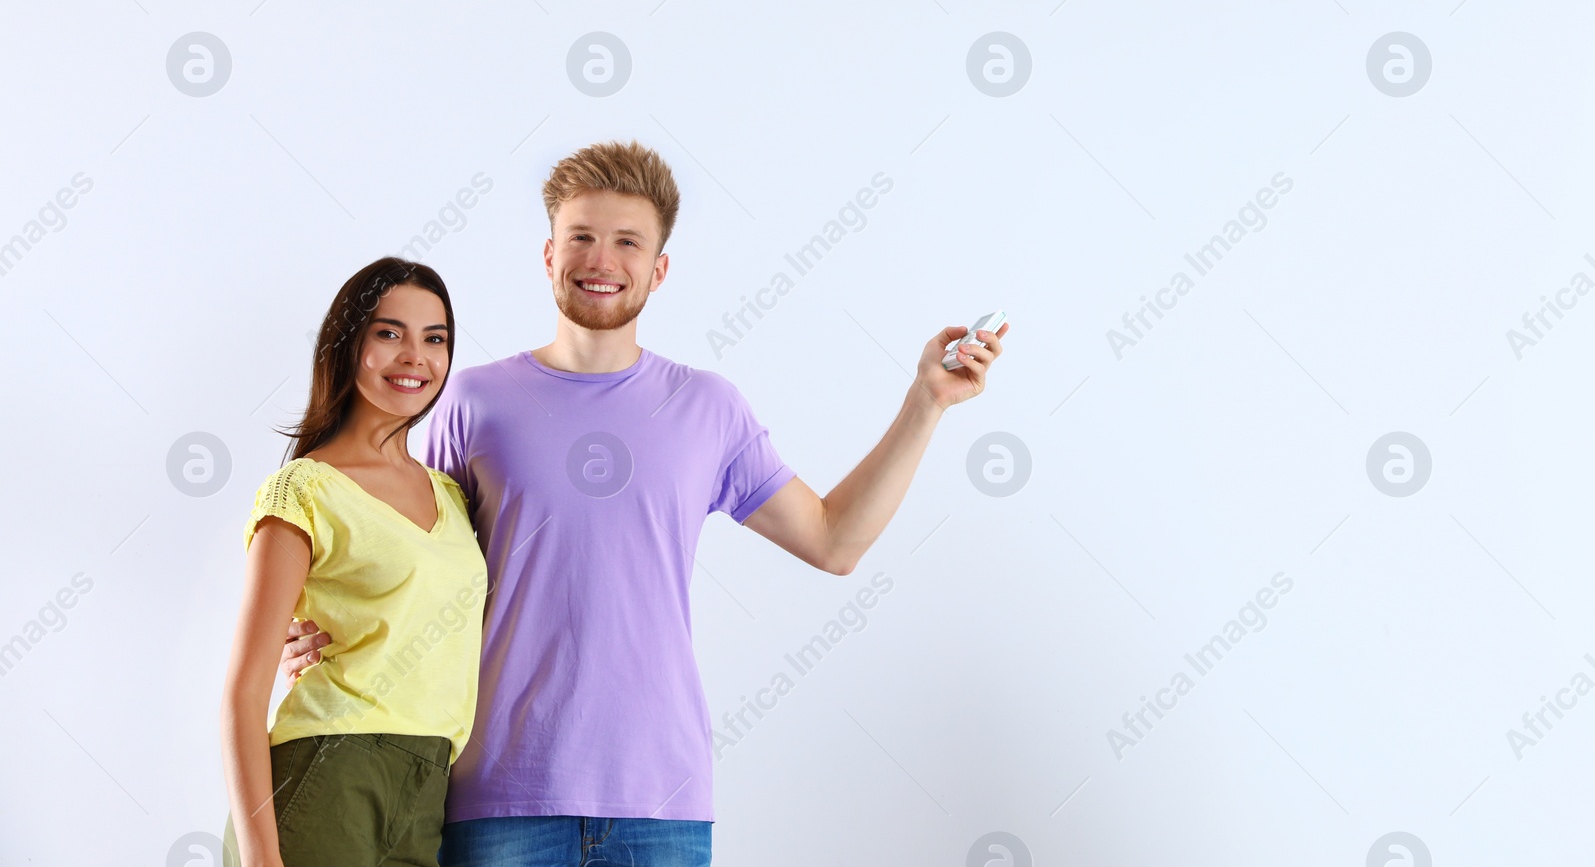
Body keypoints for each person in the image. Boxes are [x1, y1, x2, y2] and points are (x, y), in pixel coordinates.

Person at [279, 141, 1008, 867]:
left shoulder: (707, 408)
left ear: (658, 270)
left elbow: (835, 542)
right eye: (582, 238)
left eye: (628, 242)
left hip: (662, 807)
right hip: (496, 800)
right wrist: (312, 624)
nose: (602, 260)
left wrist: (926, 403)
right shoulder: (474, 401)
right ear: (548, 255)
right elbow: (399, 547)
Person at [221, 258, 488, 867]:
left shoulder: (449, 494)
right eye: (389, 333)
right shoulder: (305, 489)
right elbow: (242, 694)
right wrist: (262, 861)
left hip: (427, 790)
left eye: (435, 339)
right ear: (348, 345)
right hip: (328, 775)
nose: (415, 356)